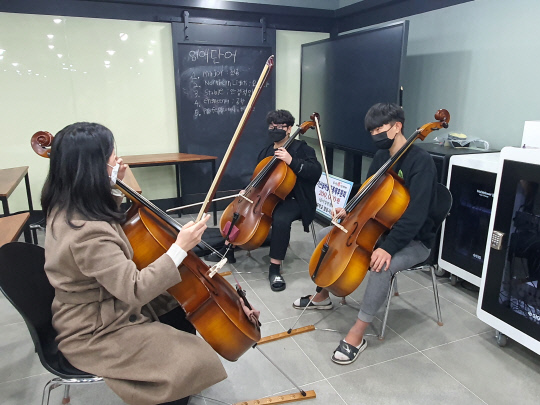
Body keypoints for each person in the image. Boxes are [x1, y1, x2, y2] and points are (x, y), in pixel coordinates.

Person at [42, 122, 227, 405]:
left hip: (102, 304)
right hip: (94, 328)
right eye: (113, 159)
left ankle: (177, 381)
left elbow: (114, 216)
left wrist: (117, 182)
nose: (119, 162)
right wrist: (178, 249)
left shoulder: (69, 203)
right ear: (93, 170)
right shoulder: (86, 232)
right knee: (190, 360)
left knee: (178, 308)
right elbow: (135, 290)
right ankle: (171, 391)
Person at [293, 103, 439, 365]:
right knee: (327, 235)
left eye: (380, 128)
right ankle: (324, 294)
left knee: (383, 265)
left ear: (397, 126)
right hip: (381, 229)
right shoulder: (383, 157)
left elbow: (416, 216)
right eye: (371, 130)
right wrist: (347, 208)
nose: (375, 134)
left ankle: (357, 334)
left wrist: (390, 247)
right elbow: (367, 190)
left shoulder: (421, 163)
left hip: (415, 239)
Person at [207, 109, 322, 291]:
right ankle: (228, 250)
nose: (274, 129)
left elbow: (315, 172)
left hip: (295, 199)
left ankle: (274, 268)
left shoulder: (302, 149)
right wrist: (249, 188)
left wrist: (292, 161)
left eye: (280, 126)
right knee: (239, 211)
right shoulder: (267, 151)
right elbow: (258, 177)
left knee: (281, 219)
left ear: (289, 129)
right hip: (268, 196)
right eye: (272, 126)